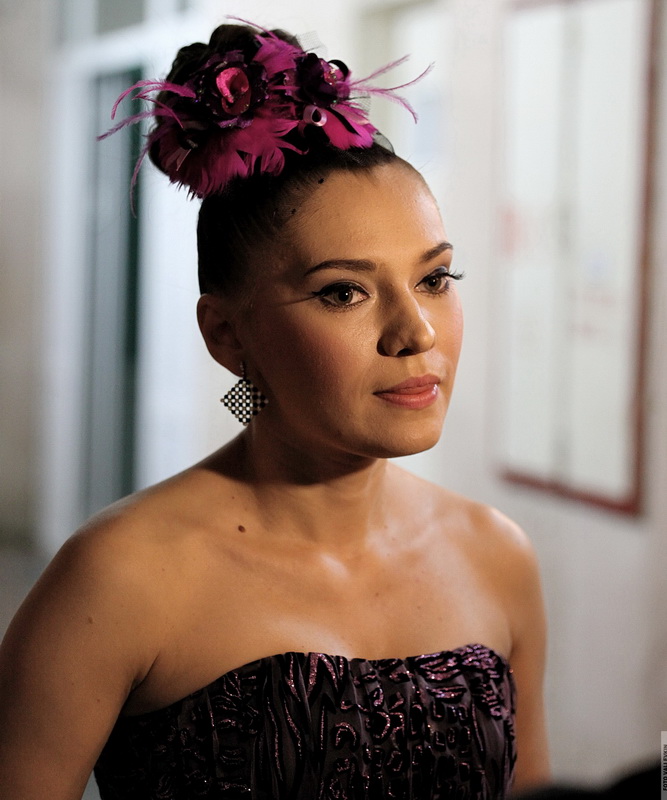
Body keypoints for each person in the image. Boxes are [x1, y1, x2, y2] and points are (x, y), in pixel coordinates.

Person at [0, 20, 550, 800]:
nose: (416, 333)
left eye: (433, 280)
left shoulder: (496, 556)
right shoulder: (119, 577)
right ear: (227, 334)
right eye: (343, 292)